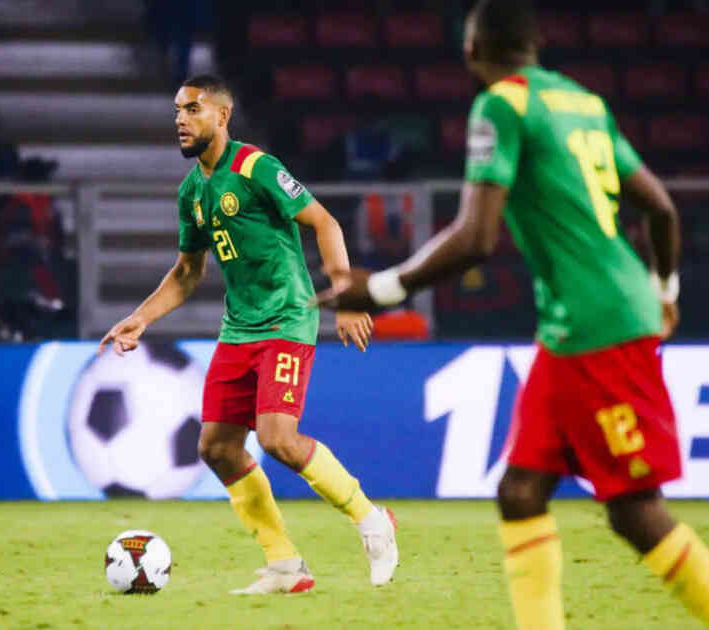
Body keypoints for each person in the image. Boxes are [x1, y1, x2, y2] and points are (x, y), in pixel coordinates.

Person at [317, 0, 709, 627]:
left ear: (472, 49)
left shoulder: (502, 104)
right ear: (536, 43)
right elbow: (661, 210)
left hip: (598, 326)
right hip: (577, 326)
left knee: (634, 509)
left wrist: (383, 288)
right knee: (520, 491)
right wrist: (666, 290)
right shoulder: (585, 103)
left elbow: (476, 237)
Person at [99, 74, 398, 595]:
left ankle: (372, 522)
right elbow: (188, 272)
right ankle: (285, 564)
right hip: (239, 328)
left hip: (287, 317)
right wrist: (141, 318)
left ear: (221, 116)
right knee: (216, 447)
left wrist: (348, 298)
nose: (180, 120)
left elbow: (326, 224)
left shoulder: (256, 166)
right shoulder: (192, 191)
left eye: (192, 110)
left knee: (277, 438)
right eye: (176, 111)